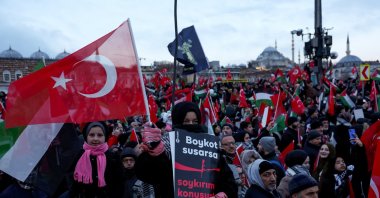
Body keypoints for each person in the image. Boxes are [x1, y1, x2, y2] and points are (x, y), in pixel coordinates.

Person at [135, 101, 236, 198]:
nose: (191, 125)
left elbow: (227, 181)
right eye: (186, 121)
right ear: (177, 121)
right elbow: (148, 175)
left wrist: (224, 194)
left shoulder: (209, 146)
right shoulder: (165, 143)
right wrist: (156, 154)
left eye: (195, 121)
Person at [69, 121, 123, 198]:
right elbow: (74, 183)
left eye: (100, 135)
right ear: (86, 137)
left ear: (105, 137)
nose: (95, 138)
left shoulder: (113, 156)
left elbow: (119, 183)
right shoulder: (80, 155)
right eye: (91, 135)